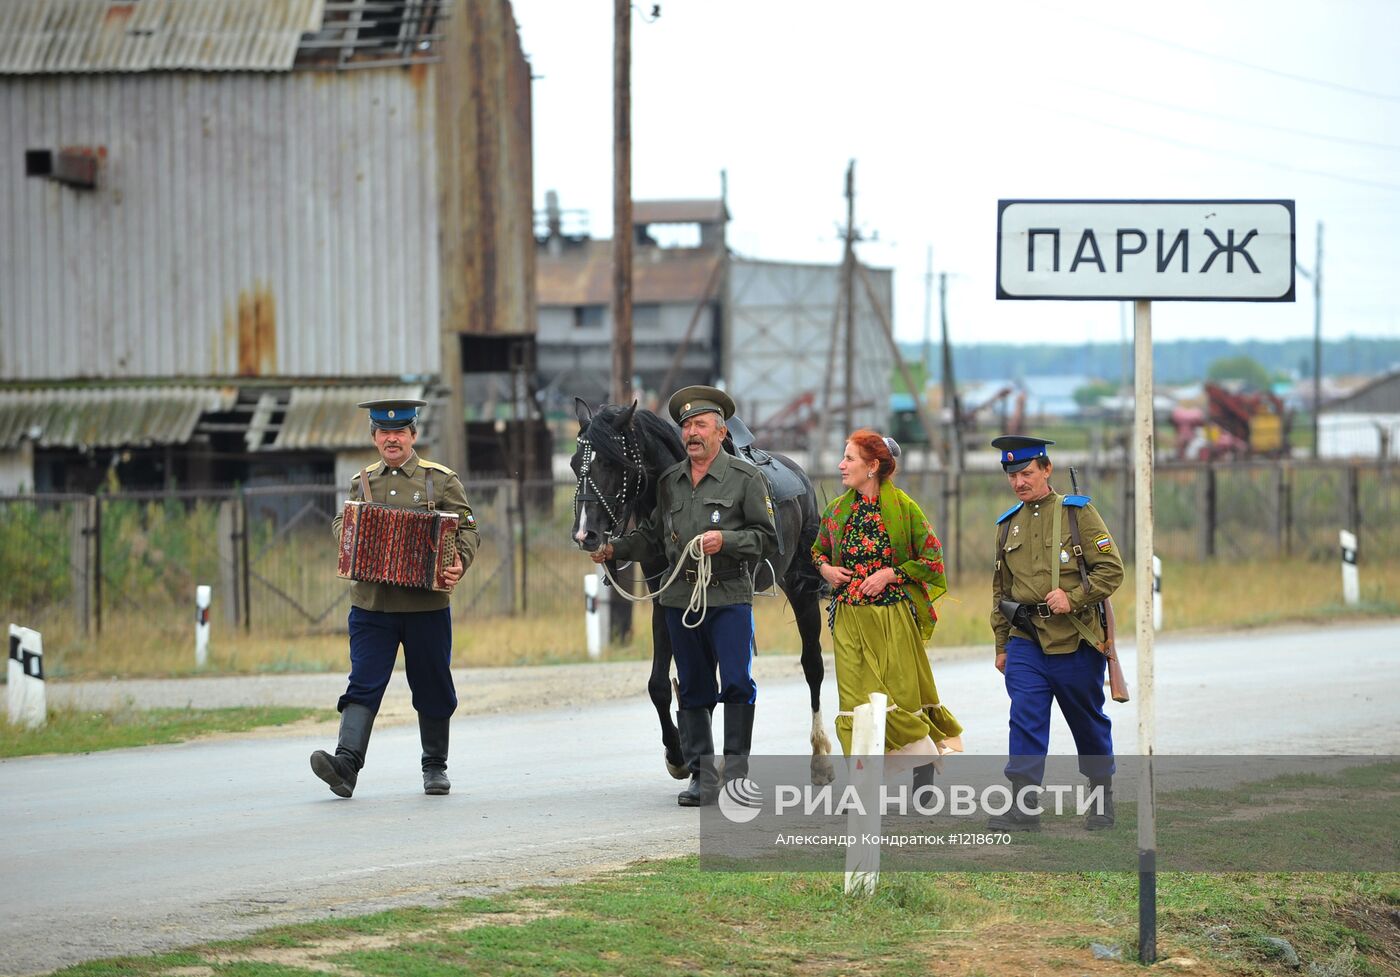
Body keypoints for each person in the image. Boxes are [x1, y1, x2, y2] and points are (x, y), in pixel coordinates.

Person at [590, 385, 778, 806]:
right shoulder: (670, 482)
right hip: (680, 600)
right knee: (693, 686)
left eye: (701, 425)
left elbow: (767, 539)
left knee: (736, 683)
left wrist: (726, 541)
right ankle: (700, 775)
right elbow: (652, 535)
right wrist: (614, 550)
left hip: (728, 598)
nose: (692, 433)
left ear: (721, 432)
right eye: (687, 426)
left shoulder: (746, 478)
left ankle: (736, 774)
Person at [312, 399, 479, 799]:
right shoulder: (362, 482)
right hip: (372, 606)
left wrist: (459, 561)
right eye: (384, 432)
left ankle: (434, 767)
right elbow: (342, 520)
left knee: (433, 685)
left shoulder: (441, 481)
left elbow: (469, 529)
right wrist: (350, 537)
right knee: (363, 682)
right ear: (374, 437)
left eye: (400, 432)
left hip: (426, 608)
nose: (392, 439)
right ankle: (345, 766)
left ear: (413, 435)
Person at [811, 431, 962, 787]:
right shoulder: (837, 511)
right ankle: (862, 787)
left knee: (901, 697)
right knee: (855, 702)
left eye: (849, 458)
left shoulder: (904, 509)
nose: (841, 465)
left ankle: (923, 761)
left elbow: (932, 559)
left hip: (892, 617)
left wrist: (890, 574)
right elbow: (818, 551)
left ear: (873, 466)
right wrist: (826, 569)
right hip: (848, 618)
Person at [988, 435, 1123, 831]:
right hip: (1026, 639)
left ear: (1046, 469)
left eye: (1027, 473)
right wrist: (1001, 645)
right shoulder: (1007, 525)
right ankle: (1023, 807)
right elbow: (1001, 591)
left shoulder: (1077, 514)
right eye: (1012, 475)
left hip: (1075, 639)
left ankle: (1101, 797)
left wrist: (1074, 597)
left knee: (1087, 721)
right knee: (1024, 718)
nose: (1019, 482)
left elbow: (1111, 570)